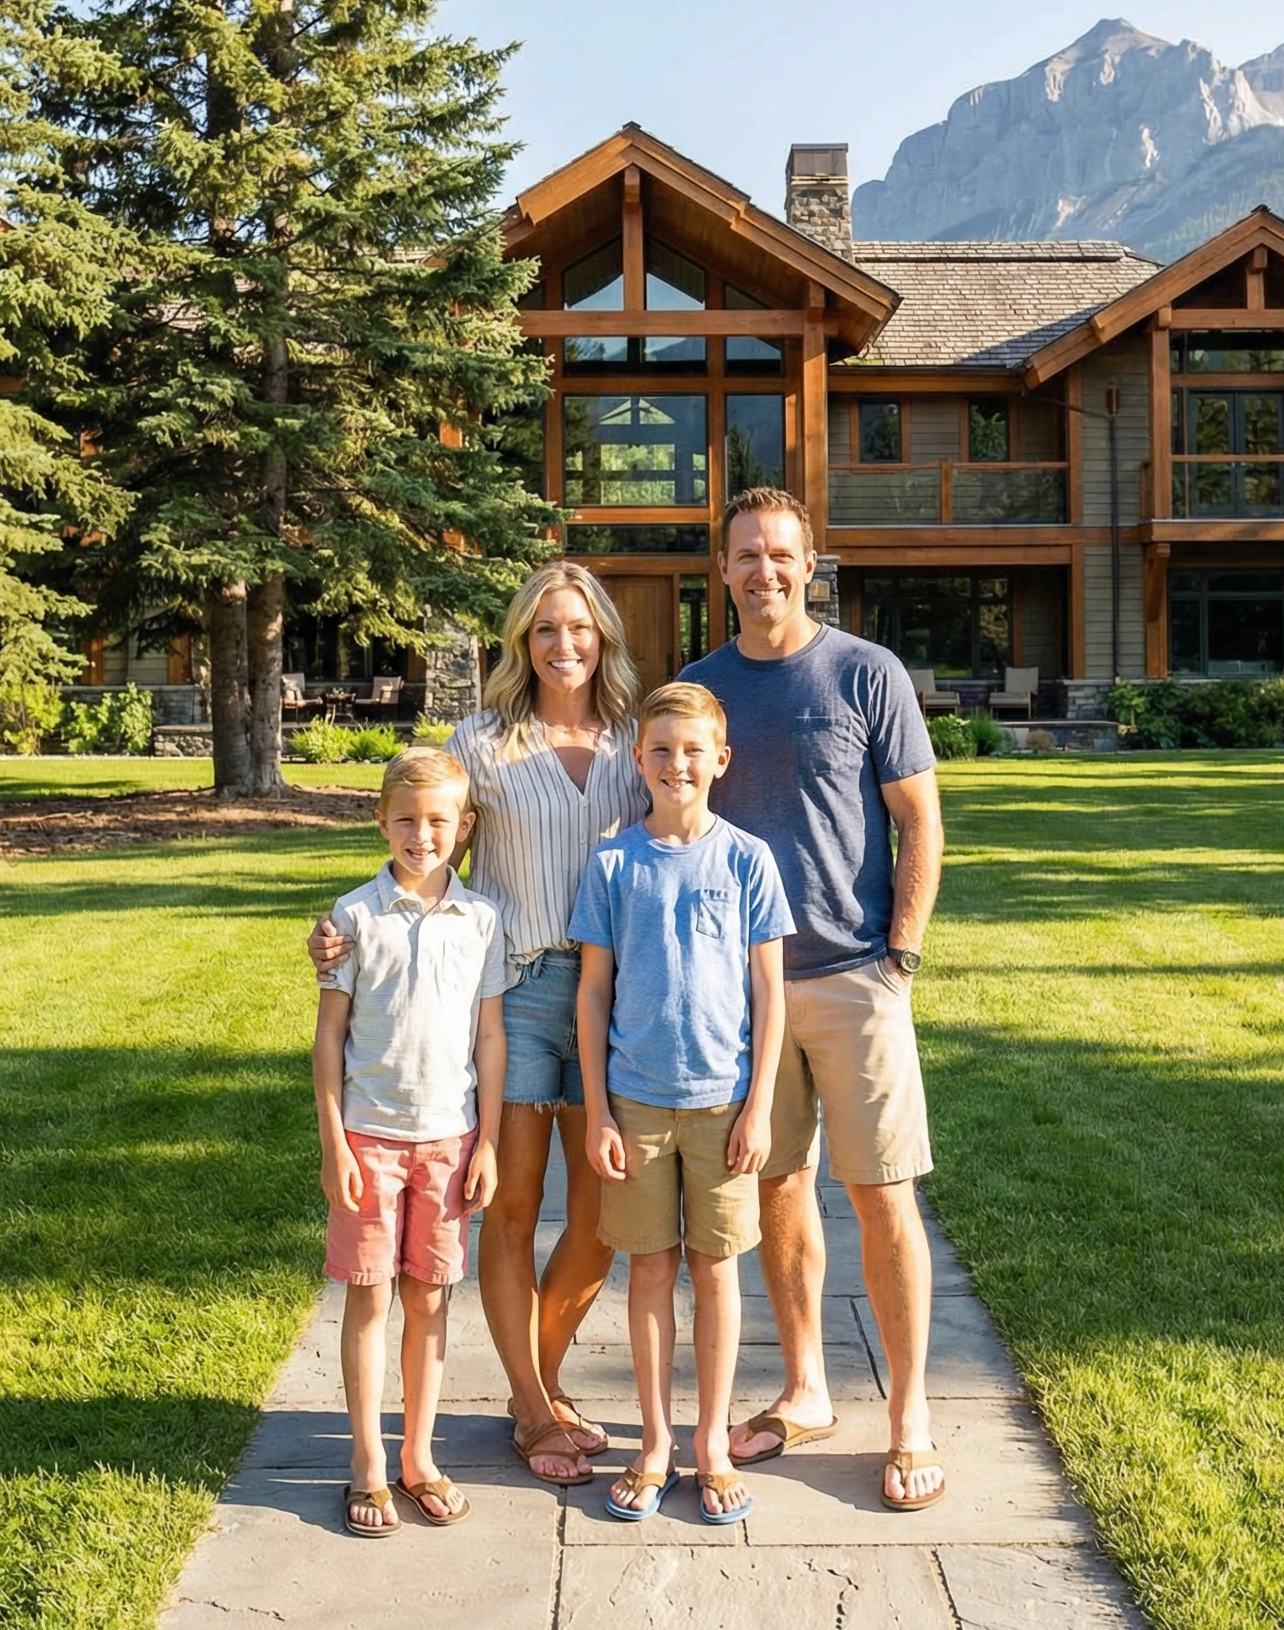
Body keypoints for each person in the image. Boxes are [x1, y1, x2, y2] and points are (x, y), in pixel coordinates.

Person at [309, 563, 647, 1485]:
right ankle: (536, 1408)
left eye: (579, 628)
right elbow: (418, 844)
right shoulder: (484, 739)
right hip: (512, 993)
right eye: (545, 630)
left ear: (603, 635)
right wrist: (343, 933)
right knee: (507, 1210)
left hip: (615, 995)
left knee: (604, 1216)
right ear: (520, 641)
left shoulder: (633, 740)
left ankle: (528, 1378)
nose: (563, 645)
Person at [682, 486, 948, 1513]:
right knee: (778, 1186)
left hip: (852, 975)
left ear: (807, 563)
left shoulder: (864, 672)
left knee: (884, 1193)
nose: (763, 570)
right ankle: (803, 1387)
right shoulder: (697, 692)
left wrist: (902, 954)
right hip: (744, 991)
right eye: (745, 554)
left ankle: (909, 1410)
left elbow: (917, 822)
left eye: (780, 553)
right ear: (722, 570)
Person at [573, 681, 790, 1525]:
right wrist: (596, 1112)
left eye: (693, 750)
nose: (677, 764)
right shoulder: (614, 863)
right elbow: (594, 994)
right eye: (660, 750)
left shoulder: (748, 860)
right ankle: (656, 1441)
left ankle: (708, 1444)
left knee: (716, 1270)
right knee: (651, 1270)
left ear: (720, 762)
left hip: (724, 1104)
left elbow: (769, 994)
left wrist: (760, 1103)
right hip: (636, 1105)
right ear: (639, 761)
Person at [313, 747, 508, 1537]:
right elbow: (328, 1040)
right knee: (369, 1296)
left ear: (463, 829)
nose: (421, 836)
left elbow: (489, 1038)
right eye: (406, 820)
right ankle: (365, 1461)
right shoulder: (353, 918)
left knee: (430, 1298)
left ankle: (418, 1456)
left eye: (438, 822)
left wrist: (488, 1139)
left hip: (449, 1142)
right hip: (369, 1138)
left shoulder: (483, 919)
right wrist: (334, 1144)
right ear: (381, 822)